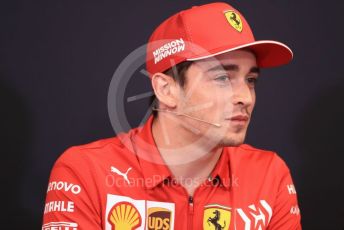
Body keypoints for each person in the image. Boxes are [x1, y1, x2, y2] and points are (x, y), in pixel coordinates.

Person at [42, 2, 301, 229]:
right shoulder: (85, 172)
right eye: (223, 77)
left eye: (251, 79)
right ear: (166, 90)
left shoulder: (269, 175)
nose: (246, 96)